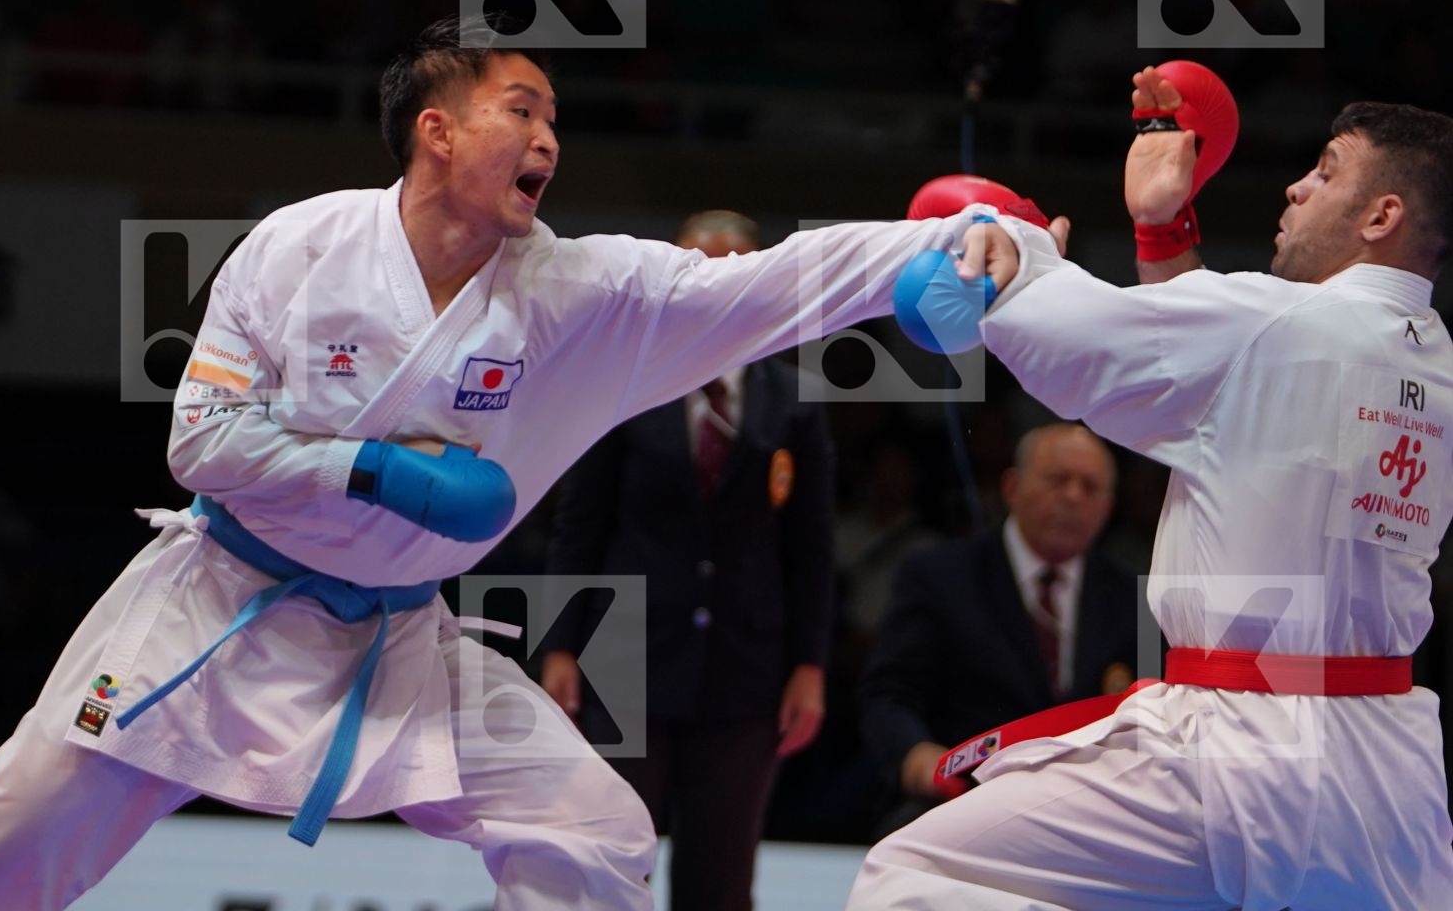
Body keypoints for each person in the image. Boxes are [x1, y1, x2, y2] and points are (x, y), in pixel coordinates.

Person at [0, 15, 995, 911]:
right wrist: (377, 471)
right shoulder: (301, 246)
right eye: (521, 108)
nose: (548, 137)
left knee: (593, 827)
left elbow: (762, 284)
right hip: (215, 616)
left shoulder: (577, 293)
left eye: (555, 120)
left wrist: (935, 246)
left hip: (398, 640)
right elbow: (200, 441)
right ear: (436, 129)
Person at [849, 76, 1453, 908]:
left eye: (1325, 171)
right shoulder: (1433, 362)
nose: (1295, 186)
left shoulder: (1277, 323)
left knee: (915, 873)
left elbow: (1074, 342)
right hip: (1393, 778)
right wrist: (1162, 224)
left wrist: (1015, 246)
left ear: (1380, 216)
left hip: (1237, 751)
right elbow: (1209, 387)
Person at [540, 209, 835, 911]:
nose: (714, 289)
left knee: (721, 875)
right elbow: (579, 523)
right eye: (698, 272)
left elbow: (812, 547)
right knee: (609, 856)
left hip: (747, 665)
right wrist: (559, 647)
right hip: (623, 655)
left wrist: (811, 666)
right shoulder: (623, 383)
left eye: (734, 272)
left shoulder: (791, 402)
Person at [859, 423, 1137, 836]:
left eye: (1090, 487)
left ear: (1108, 508)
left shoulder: (1133, 596)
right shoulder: (939, 576)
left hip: (1088, 818)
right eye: (1058, 480)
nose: (1074, 496)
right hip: (961, 803)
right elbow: (889, 694)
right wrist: (918, 758)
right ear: (1012, 487)